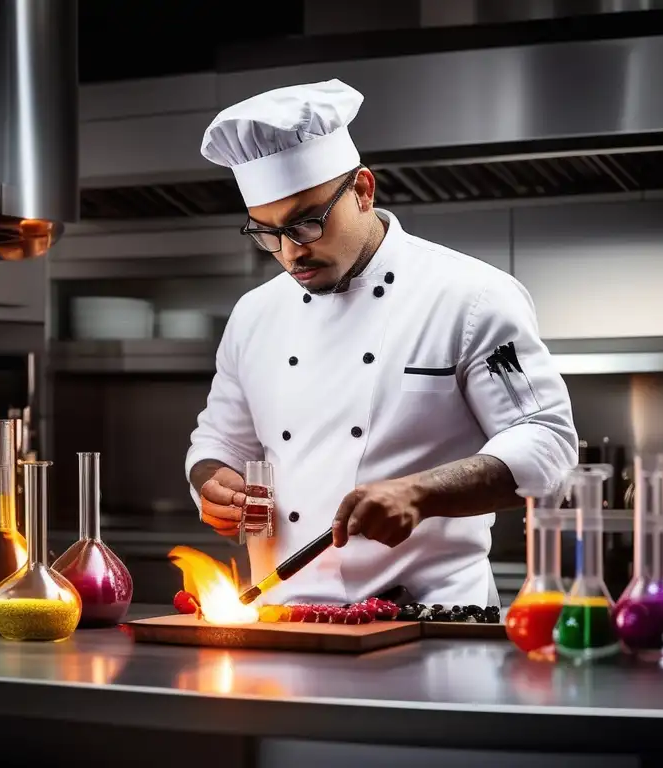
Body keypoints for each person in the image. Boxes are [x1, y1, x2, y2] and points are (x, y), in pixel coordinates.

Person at [184, 79, 578, 608]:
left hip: (431, 622)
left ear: (363, 190)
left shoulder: (473, 297)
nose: (289, 252)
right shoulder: (255, 314)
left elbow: (545, 439)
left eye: (306, 224)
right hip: (286, 620)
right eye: (267, 233)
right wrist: (215, 483)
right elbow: (218, 444)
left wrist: (422, 492)